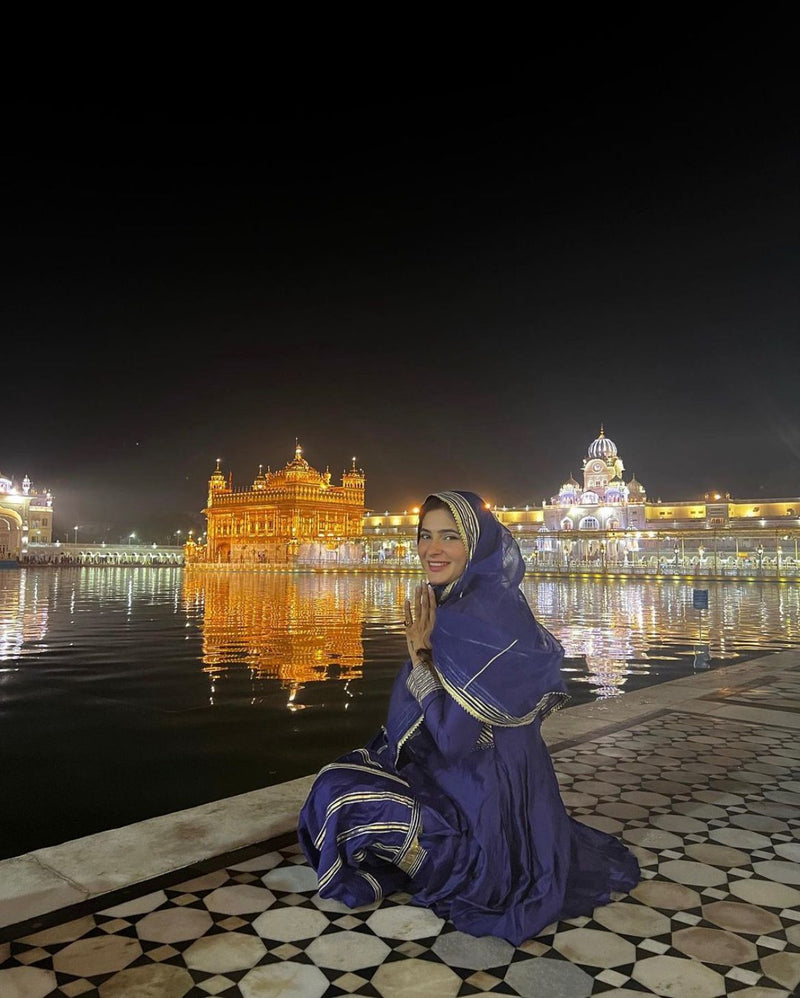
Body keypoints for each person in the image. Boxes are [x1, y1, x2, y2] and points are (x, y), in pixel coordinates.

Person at [297, 490, 639, 945]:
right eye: (425, 536)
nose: (431, 550)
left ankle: (441, 857)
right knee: (354, 776)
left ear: (476, 546)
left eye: (449, 537)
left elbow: (456, 743)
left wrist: (420, 659)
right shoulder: (488, 605)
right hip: (513, 793)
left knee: (337, 792)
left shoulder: (467, 621)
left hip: (483, 810)